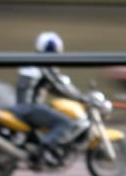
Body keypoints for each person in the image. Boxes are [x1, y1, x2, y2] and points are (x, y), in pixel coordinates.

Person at [13, 31, 88, 164]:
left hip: (20, 107)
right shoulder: (45, 64)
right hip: (31, 108)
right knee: (65, 122)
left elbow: (50, 87)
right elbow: (59, 85)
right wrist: (81, 98)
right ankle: (45, 148)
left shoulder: (32, 61)